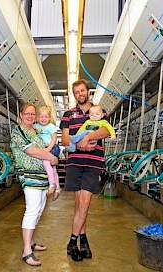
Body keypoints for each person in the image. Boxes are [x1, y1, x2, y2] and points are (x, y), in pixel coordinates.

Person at [60, 79, 116, 261]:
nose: (80, 94)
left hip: (93, 163)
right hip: (75, 163)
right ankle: (83, 241)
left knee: (84, 204)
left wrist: (88, 137)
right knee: (79, 206)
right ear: (74, 94)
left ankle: (72, 241)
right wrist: (81, 146)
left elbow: (106, 131)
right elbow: (66, 141)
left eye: (82, 91)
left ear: (88, 92)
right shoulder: (68, 115)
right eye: (76, 92)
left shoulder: (99, 111)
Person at [10, 103, 58, 266]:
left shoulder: (35, 132)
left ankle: (31, 242)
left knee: (38, 210)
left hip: (42, 176)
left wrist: (51, 157)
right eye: (27, 113)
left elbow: (45, 148)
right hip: (29, 176)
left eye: (33, 114)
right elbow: (32, 151)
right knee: (31, 210)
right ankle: (26, 251)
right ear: (21, 115)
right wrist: (51, 157)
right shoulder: (18, 132)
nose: (30, 116)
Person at [34, 106, 61, 201]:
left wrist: (48, 149)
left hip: (52, 147)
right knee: (53, 169)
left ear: (49, 118)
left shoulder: (51, 127)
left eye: (46, 117)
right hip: (43, 148)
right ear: (37, 118)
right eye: (41, 117)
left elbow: (54, 139)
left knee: (46, 163)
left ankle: (52, 184)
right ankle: (57, 189)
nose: (43, 119)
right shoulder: (36, 126)